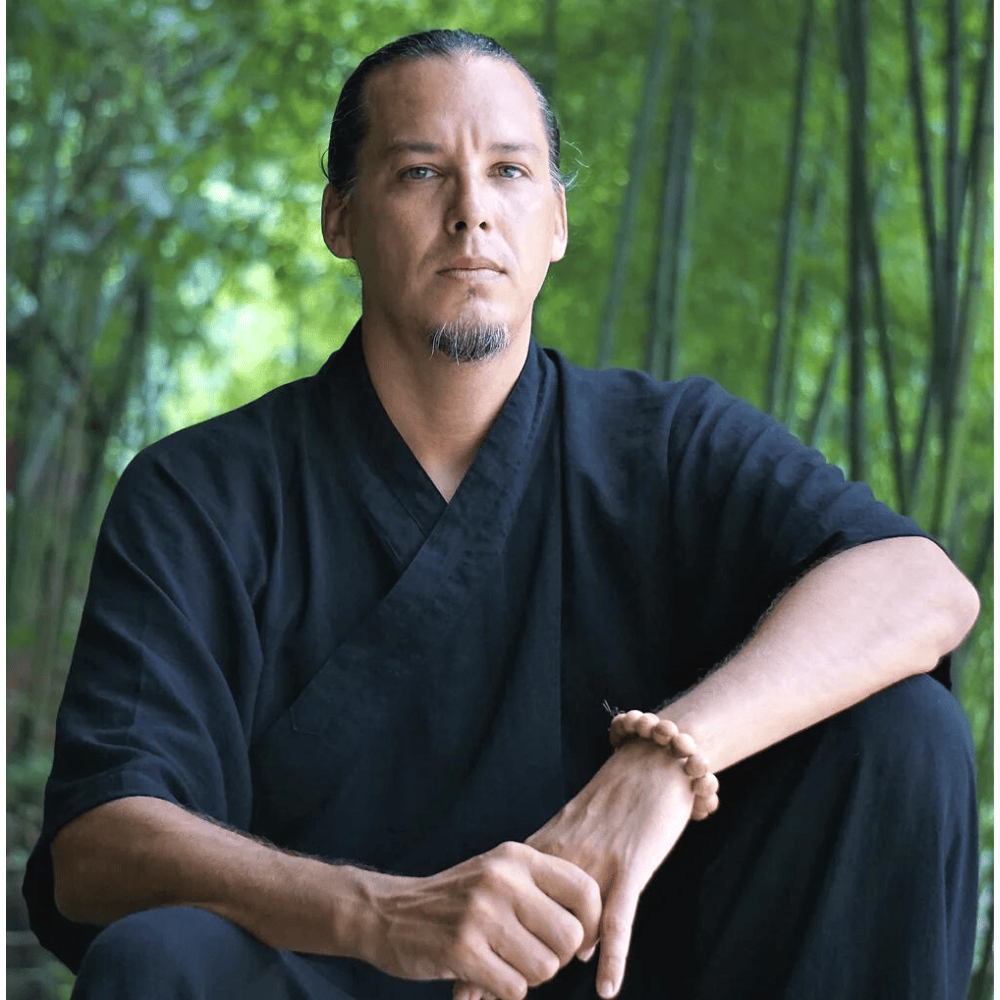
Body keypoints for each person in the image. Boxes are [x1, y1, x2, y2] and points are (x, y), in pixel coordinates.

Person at [24, 28, 981, 1000]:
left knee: (904, 733)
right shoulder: (201, 493)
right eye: (418, 172)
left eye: (511, 172)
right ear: (339, 219)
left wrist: (661, 762)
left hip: (627, 971)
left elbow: (918, 585)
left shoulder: (664, 444)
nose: (471, 211)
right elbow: (98, 846)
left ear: (557, 221)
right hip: (331, 975)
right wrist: (385, 914)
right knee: (159, 961)